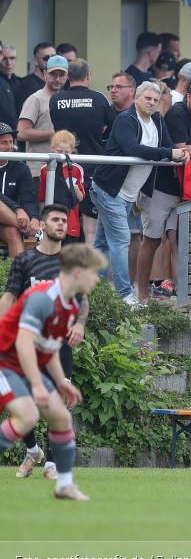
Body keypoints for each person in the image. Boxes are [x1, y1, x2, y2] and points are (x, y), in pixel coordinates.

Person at [0, 243, 107, 500]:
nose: (96, 279)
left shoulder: (69, 306)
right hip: (5, 362)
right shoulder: (42, 298)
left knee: (61, 418)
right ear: (78, 273)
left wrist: (61, 382)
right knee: (27, 416)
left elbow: (48, 349)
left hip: (23, 365)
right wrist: (37, 384)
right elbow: (24, 342)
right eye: (94, 273)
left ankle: (64, 485)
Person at [1, 205, 89, 481]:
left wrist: (79, 324)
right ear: (44, 225)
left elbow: (82, 301)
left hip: (57, 344)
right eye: (55, 219)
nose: (61, 224)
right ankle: (32, 450)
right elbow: (9, 298)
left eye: (64, 220)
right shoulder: (25, 260)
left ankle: (51, 464)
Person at [91, 81, 187, 306]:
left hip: (128, 193)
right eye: (147, 99)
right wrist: (169, 153)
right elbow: (133, 149)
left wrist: (179, 153)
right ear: (136, 98)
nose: (152, 103)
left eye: (155, 100)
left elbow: (167, 146)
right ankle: (125, 295)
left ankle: (89, 289)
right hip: (109, 189)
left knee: (103, 243)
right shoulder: (126, 119)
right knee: (121, 240)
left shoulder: (157, 120)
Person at [134, 78, 191, 303]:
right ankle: (141, 294)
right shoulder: (177, 112)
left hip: (188, 189)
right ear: (187, 96)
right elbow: (182, 150)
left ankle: (183, 295)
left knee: (181, 241)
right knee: (151, 240)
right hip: (162, 186)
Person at [49, 58, 116, 245]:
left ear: (68, 76)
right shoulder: (99, 99)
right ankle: (90, 272)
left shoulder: (55, 100)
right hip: (91, 169)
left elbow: (58, 127)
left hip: (65, 168)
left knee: (59, 222)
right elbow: (115, 127)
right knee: (90, 228)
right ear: (88, 76)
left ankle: (56, 270)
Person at [18, 55, 68, 181]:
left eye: (61, 75)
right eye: (53, 74)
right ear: (45, 74)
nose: (57, 79)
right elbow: (21, 133)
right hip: (39, 170)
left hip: (64, 168)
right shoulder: (36, 99)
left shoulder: (67, 98)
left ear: (67, 76)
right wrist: (56, 134)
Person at [37, 131, 84, 241]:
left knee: (69, 256)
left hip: (70, 223)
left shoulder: (77, 169)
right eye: (59, 151)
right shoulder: (45, 169)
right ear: (52, 149)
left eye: (66, 152)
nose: (63, 155)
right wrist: (42, 220)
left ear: (72, 151)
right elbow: (42, 198)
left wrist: (76, 191)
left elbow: (81, 198)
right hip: (50, 220)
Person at [0, 122, 39, 250]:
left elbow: (28, 198)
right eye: (3, 143)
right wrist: (17, 209)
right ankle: (27, 229)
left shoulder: (20, 168)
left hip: (7, 222)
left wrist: (34, 218)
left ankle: (19, 270)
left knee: (13, 233)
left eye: (11, 142)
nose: (9, 146)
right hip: (15, 215)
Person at [15, 43, 55, 116]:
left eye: (53, 57)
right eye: (46, 58)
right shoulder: (27, 86)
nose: (51, 61)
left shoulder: (57, 83)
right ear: (36, 61)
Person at [0, 44, 20, 128]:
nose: (8, 63)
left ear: (16, 60)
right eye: (5, 58)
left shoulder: (20, 83)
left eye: (12, 58)